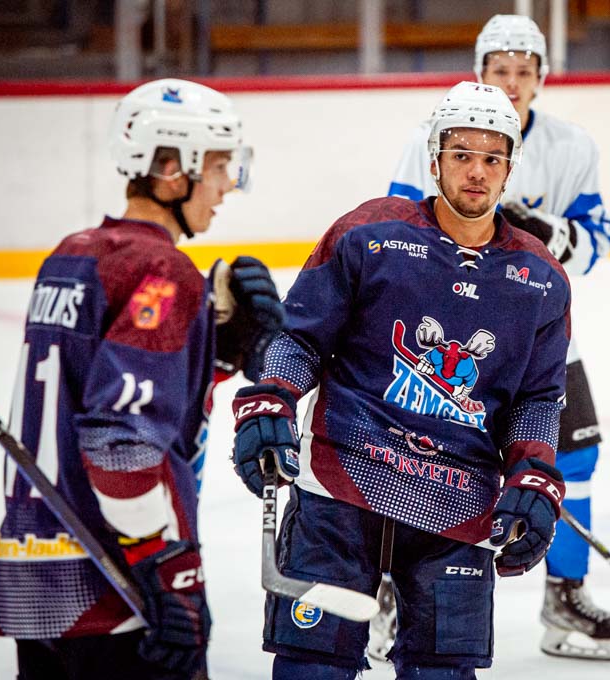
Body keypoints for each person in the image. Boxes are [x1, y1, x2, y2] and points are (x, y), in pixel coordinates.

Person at [230, 81, 571, 680]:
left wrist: (533, 472)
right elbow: (301, 337)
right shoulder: (368, 234)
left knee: (442, 672)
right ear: (435, 159)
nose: (476, 172)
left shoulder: (541, 278)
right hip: (342, 483)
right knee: (312, 667)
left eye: (492, 158)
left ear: (509, 168)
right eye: (462, 154)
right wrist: (273, 398)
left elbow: (536, 399)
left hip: (458, 501)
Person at [0, 78, 283, 679]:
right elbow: (119, 441)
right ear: (172, 170)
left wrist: (215, 350)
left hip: (35, 574)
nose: (227, 186)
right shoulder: (162, 270)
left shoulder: (71, 254)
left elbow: (103, 387)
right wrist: (167, 570)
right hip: (116, 582)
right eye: (219, 167)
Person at [384, 13, 610, 661]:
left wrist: (547, 233)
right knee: (416, 461)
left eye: (524, 70)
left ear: (542, 77)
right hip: (446, 348)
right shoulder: (430, 137)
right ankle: (391, 590)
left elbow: (596, 242)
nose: (512, 82)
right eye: (500, 70)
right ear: (480, 72)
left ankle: (565, 595)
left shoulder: (572, 147)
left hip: (541, 336)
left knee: (572, 460)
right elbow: (397, 230)